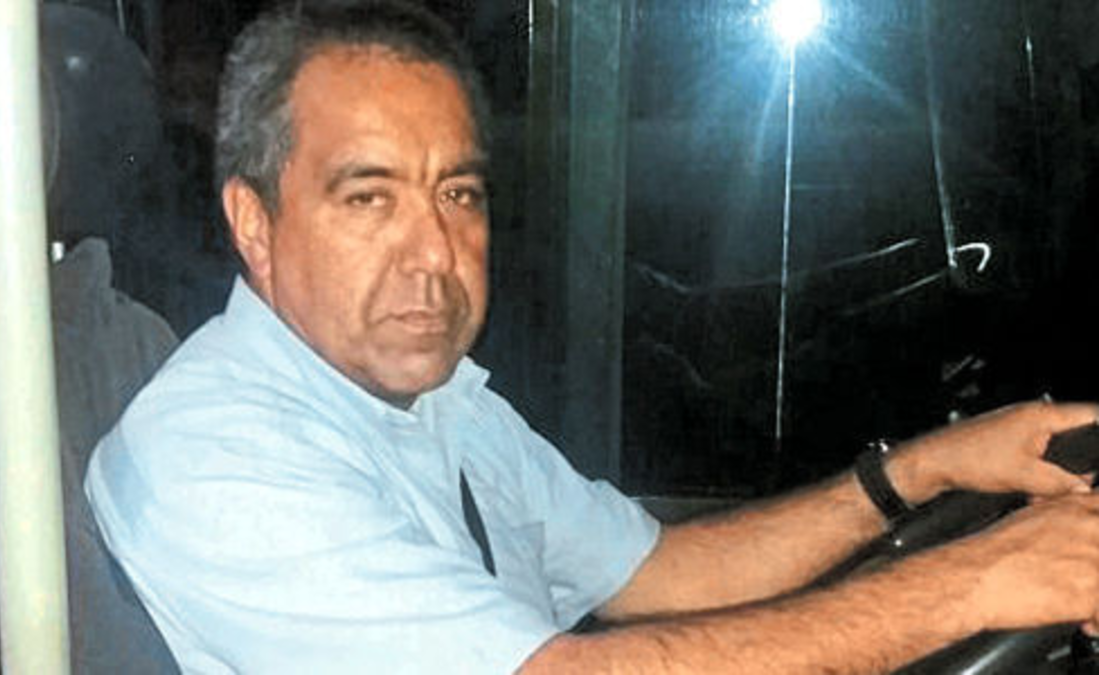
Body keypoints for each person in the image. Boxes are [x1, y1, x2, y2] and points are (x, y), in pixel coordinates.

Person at [84, 1, 1099, 672]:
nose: (434, 252)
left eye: (457, 194)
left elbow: (661, 573)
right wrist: (978, 581)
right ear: (255, 224)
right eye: (369, 197)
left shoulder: (433, 404)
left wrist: (923, 472)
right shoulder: (211, 453)